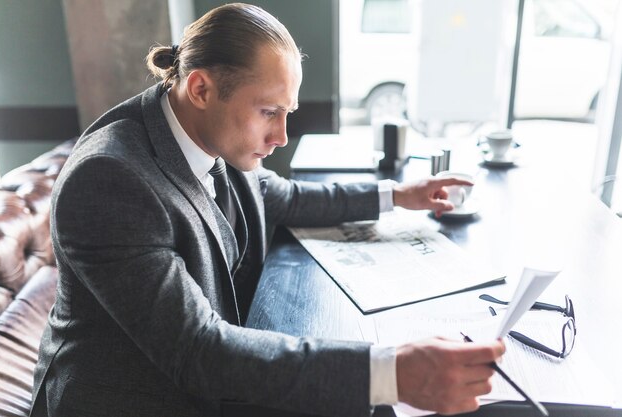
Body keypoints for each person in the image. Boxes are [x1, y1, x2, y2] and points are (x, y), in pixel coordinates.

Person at [31, 3, 504, 416]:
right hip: (133, 400)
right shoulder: (110, 181)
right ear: (200, 89)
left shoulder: (209, 129)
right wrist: (389, 374)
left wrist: (400, 195)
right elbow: (198, 352)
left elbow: (284, 197)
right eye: (268, 112)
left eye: (287, 113)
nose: (281, 137)